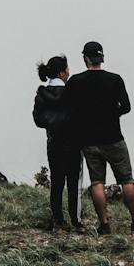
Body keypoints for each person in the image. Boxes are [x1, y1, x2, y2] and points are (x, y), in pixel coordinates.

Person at [66, 39, 134, 233]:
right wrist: (112, 113)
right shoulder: (115, 79)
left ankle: (104, 224)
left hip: (89, 141)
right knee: (126, 180)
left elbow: (68, 109)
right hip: (113, 137)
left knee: (97, 182)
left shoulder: (75, 81)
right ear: (101, 58)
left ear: (85, 59)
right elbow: (126, 107)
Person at [33, 55, 82, 232]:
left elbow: (38, 119)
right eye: (67, 69)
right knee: (73, 183)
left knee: (57, 182)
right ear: (62, 73)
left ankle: (58, 220)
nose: (69, 72)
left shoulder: (42, 94)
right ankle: (75, 221)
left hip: (53, 142)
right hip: (73, 142)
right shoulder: (72, 92)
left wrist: (53, 122)